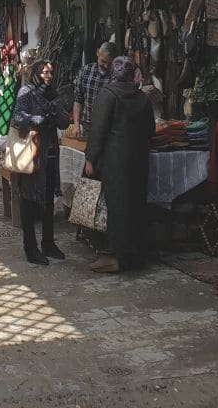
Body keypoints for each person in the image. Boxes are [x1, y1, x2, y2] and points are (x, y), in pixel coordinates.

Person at [83, 56, 156, 273]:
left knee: (115, 207)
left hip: (114, 160)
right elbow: (151, 130)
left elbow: (98, 130)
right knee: (135, 205)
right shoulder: (142, 98)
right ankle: (135, 256)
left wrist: (91, 158)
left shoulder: (108, 95)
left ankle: (114, 255)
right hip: (139, 159)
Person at [11, 59, 72, 265]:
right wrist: (40, 119)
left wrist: (54, 111)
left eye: (51, 72)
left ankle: (48, 243)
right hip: (32, 154)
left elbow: (65, 120)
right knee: (29, 199)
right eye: (44, 72)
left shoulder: (52, 94)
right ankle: (30, 247)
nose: (48, 76)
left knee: (47, 200)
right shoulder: (26, 93)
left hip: (51, 153)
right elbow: (17, 118)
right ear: (36, 73)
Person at [73, 42, 117, 137]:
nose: (106, 66)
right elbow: (78, 99)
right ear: (97, 52)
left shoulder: (116, 75)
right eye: (103, 62)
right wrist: (77, 125)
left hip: (111, 127)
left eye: (110, 64)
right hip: (88, 125)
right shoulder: (85, 71)